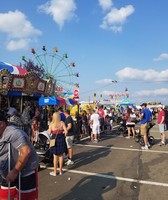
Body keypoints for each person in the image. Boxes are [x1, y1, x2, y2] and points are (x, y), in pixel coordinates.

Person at [0, 112, 39, 200]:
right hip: (7, 173)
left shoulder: (13, 133)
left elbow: (26, 151)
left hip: (24, 171)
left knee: (25, 197)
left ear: (1, 124)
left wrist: (14, 171)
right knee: (4, 196)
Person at [48, 112, 68, 176]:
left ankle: (55, 171)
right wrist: (64, 135)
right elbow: (66, 131)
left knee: (55, 156)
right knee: (61, 155)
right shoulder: (62, 123)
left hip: (54, 139)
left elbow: (49, 133)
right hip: (61, 138)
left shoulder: (51, 124)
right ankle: (61, 171)